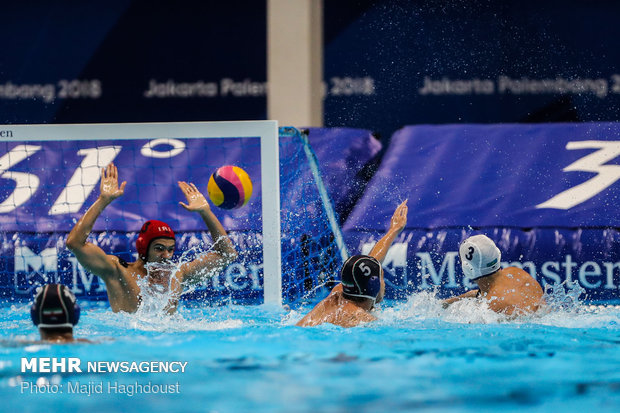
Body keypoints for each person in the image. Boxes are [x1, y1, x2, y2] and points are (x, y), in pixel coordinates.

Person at [66, 163, 238, 314]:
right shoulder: (118, 272)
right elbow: (75, 243)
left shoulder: (178, 275)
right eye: (159, 248)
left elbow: (227, 255)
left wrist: (205, 212)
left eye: (170, 249)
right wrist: (103, 200)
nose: (166, 255)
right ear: (143, 248)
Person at [296, 200, 408, 327]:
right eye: (381, 277)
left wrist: (393, 230)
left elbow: (373, 260)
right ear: (374, 285)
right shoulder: (363, 321)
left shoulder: (337, 294)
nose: (384, 283)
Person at [443, 234, 544, 315]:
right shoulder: (516, 272)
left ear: (467, 268)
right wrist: (450, 301)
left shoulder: (492, 307)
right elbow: (484, 293)